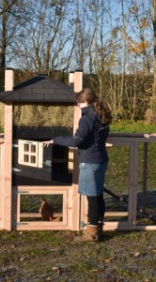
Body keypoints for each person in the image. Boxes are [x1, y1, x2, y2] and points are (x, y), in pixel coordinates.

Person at [43, 88, 112, 241]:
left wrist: (55, 139)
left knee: (92, 197)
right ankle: (98, 227)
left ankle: (91, 233)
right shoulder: (101, 113)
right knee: (98, 194)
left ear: (83, 102)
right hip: (101, 159)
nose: (78, 107)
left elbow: (75, 141)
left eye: (78, 104)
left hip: (90, 161)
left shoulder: (88, 118)